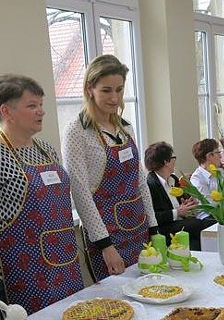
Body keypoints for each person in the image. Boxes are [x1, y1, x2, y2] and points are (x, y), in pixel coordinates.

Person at [0, 75, 83, 314]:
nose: (41, 111)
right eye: (32, 106)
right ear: (7, 111)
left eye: (41, 105)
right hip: (21, 279)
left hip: (65, 266)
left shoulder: (45, 149)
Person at [62, 54, 158, 282]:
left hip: (138, 228)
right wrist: (105, 245)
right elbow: (80, 193)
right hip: (106, 234)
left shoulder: (125, 128)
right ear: (89, 89)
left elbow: (140, 182)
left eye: (120, 89)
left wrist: (153, 228)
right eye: (106, 90)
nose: (114, 98)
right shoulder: (76, 132)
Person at [145, 141, 215, 250]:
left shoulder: (173, 179)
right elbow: (153, 216)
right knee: (202, 224)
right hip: (164, 228)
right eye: (173, 158)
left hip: (180, 224)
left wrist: (188, 205)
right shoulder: (151, 184)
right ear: (166, 161)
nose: (175, 161)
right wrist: (177, 212)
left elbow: (182, 205)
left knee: (199, 237)